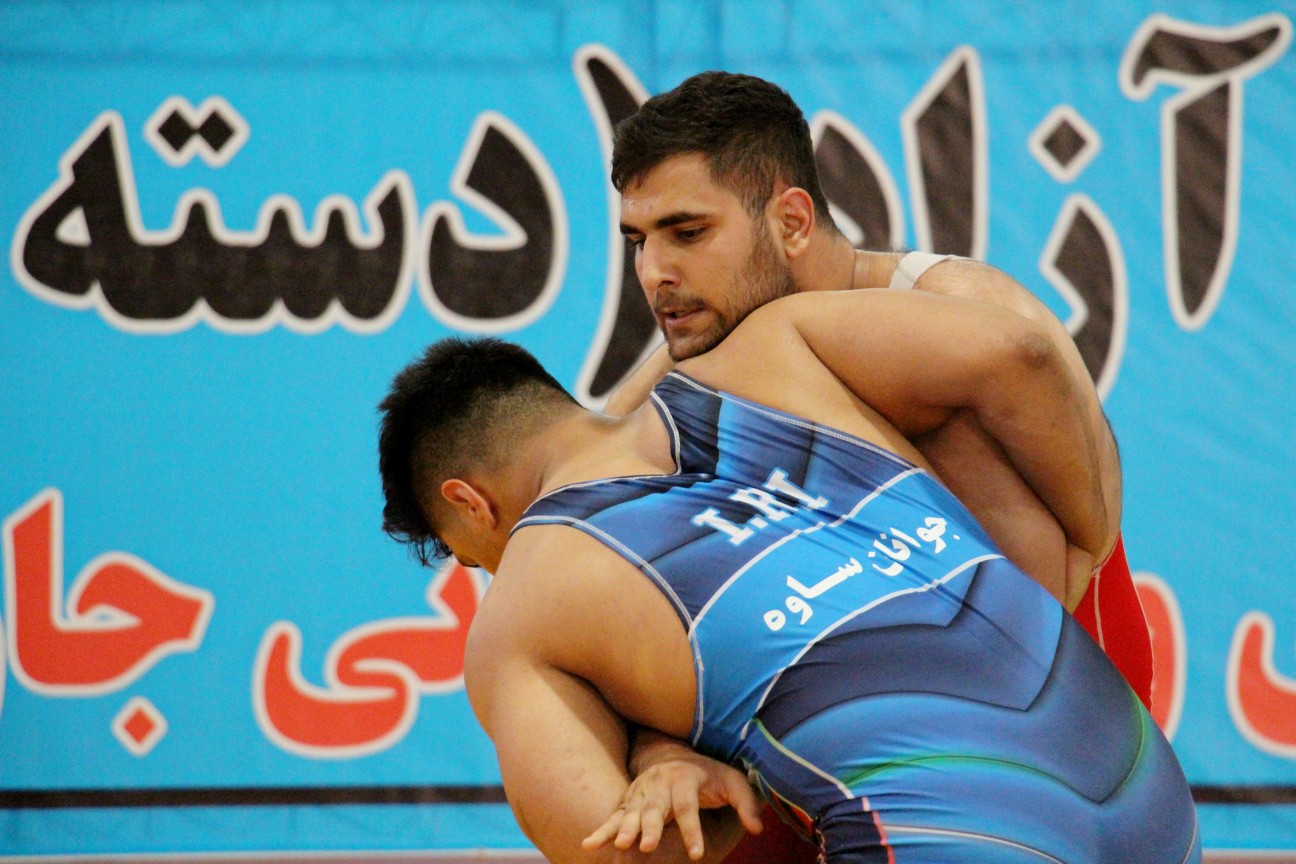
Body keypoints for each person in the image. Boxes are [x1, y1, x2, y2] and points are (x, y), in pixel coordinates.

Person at [376, 289, 1200, 863]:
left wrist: (718, 788)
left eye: (470, 555)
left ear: (468, 502)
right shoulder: (779, 346)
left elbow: (624, 854)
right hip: (1155, 801)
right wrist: (1087, 542)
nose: (488, 575)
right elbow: (1023, 349)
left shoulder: (522, 606)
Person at [605, 71, 1153, 710]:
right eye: (638, 242)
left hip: (1060, 703)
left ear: (792, 222)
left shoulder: (956, 305)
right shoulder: (715, 348)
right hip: (904, 712)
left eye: (688, 233)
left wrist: (1088, 537)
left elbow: (1044, 595)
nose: (653, 272)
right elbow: (587, 477)